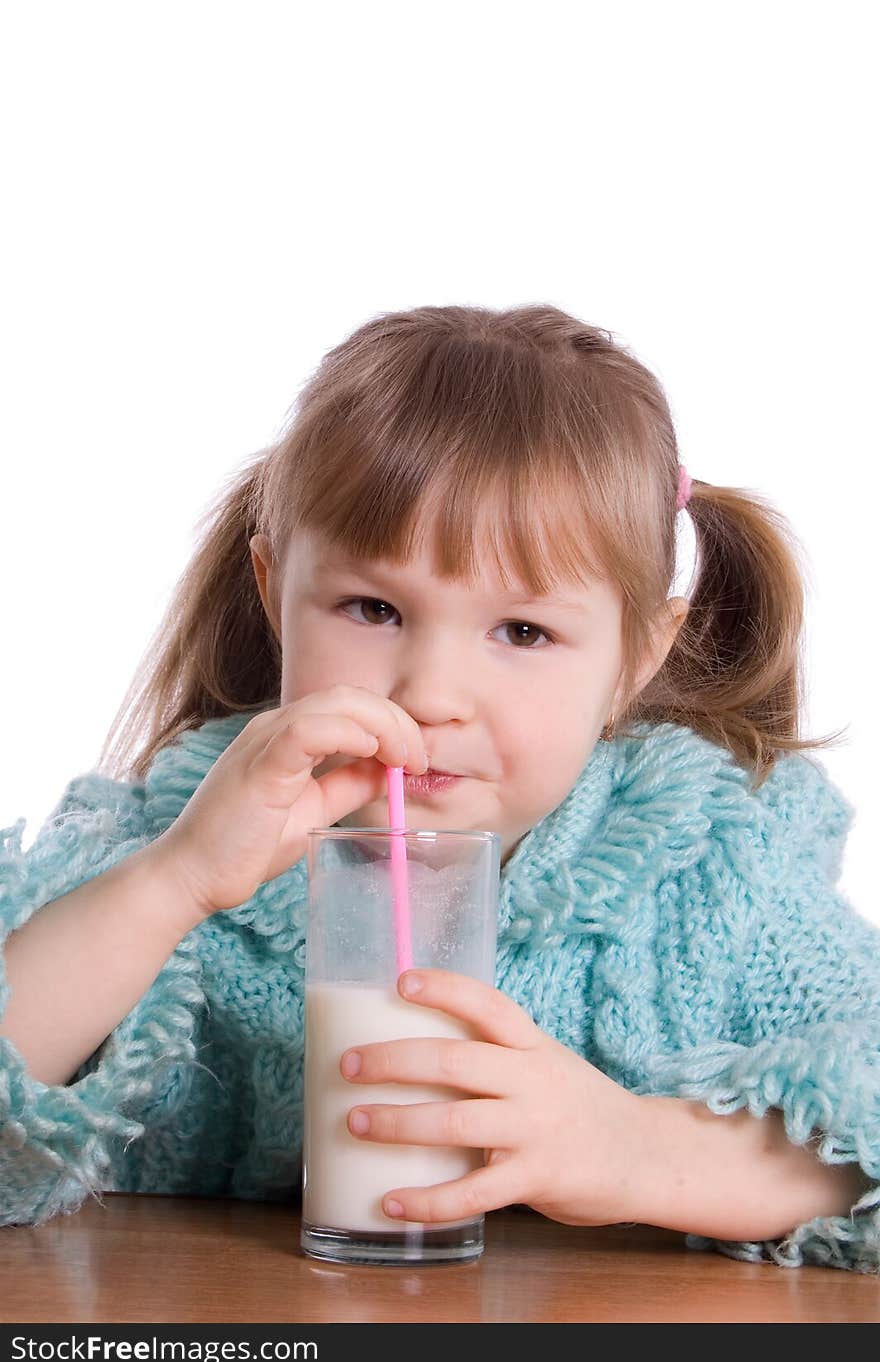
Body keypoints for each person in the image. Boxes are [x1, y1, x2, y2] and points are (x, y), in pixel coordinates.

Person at [2, 304, 878, 1276]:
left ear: (636, 654)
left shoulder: (706, 864)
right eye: (373, 608)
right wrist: (175, 881)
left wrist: (638, 1151)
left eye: (522, 632)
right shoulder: (181, 836)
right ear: (272, 591)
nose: (430, 692)